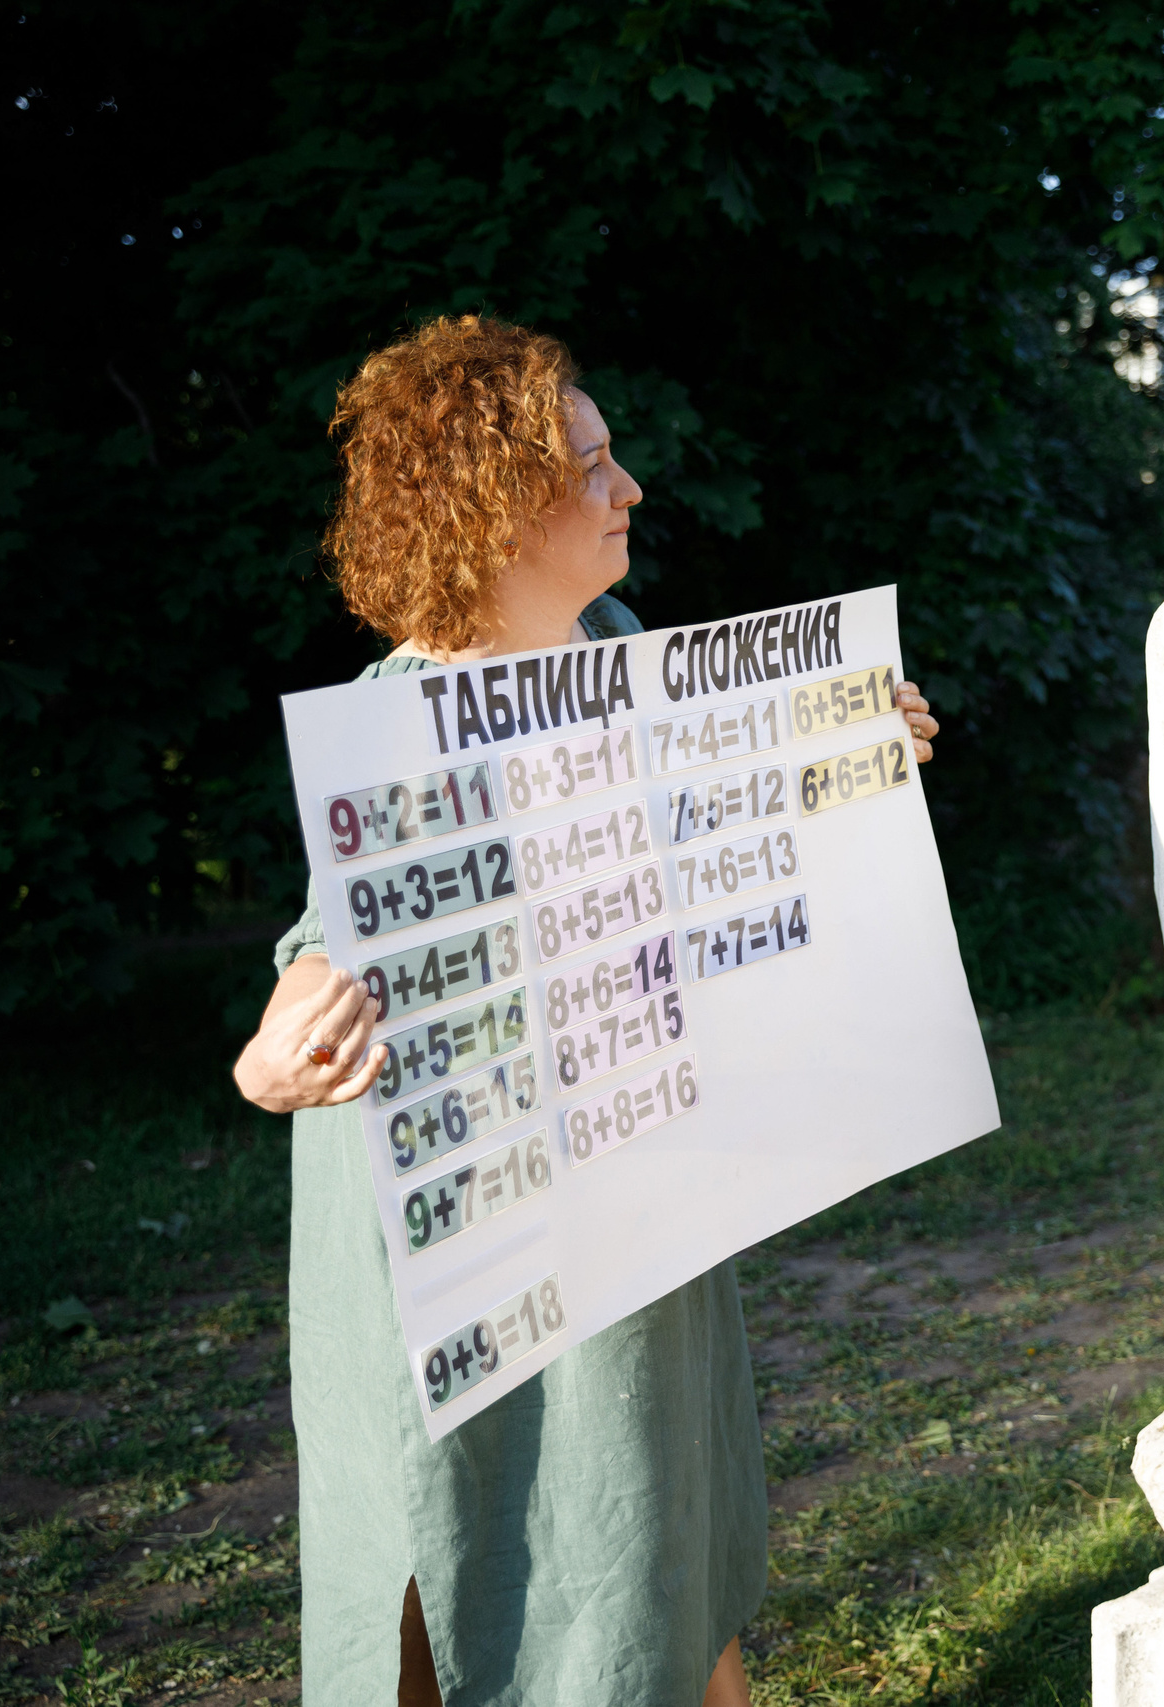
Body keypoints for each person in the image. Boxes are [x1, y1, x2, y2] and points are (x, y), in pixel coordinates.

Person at [231, 315, 942, 1707]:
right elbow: (328, 942)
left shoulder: (616, 643)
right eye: (595, 466)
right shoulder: (410, 725)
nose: (629, 490)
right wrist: (272, 1058)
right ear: (495, 513)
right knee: (466, 1551)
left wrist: (843, 759)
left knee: (653, 1537)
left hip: (627, 1188)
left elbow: (693, 853)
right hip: (467, 1237)